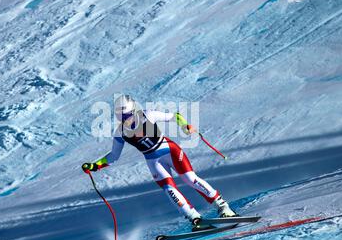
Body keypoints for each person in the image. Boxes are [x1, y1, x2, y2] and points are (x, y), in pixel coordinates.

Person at [82, 95, 236, 230]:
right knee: (169, 189)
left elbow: (174, 116)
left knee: (190, 179)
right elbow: (114, 156)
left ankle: (223, 207)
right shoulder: (120, 133)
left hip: (170, 151)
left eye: (127, 115)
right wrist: (94, 166)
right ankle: (195, 218)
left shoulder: (148, 115)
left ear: (134, 110)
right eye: (121, 117)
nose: (125, 120)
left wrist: (184, 126)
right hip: (153, 160)